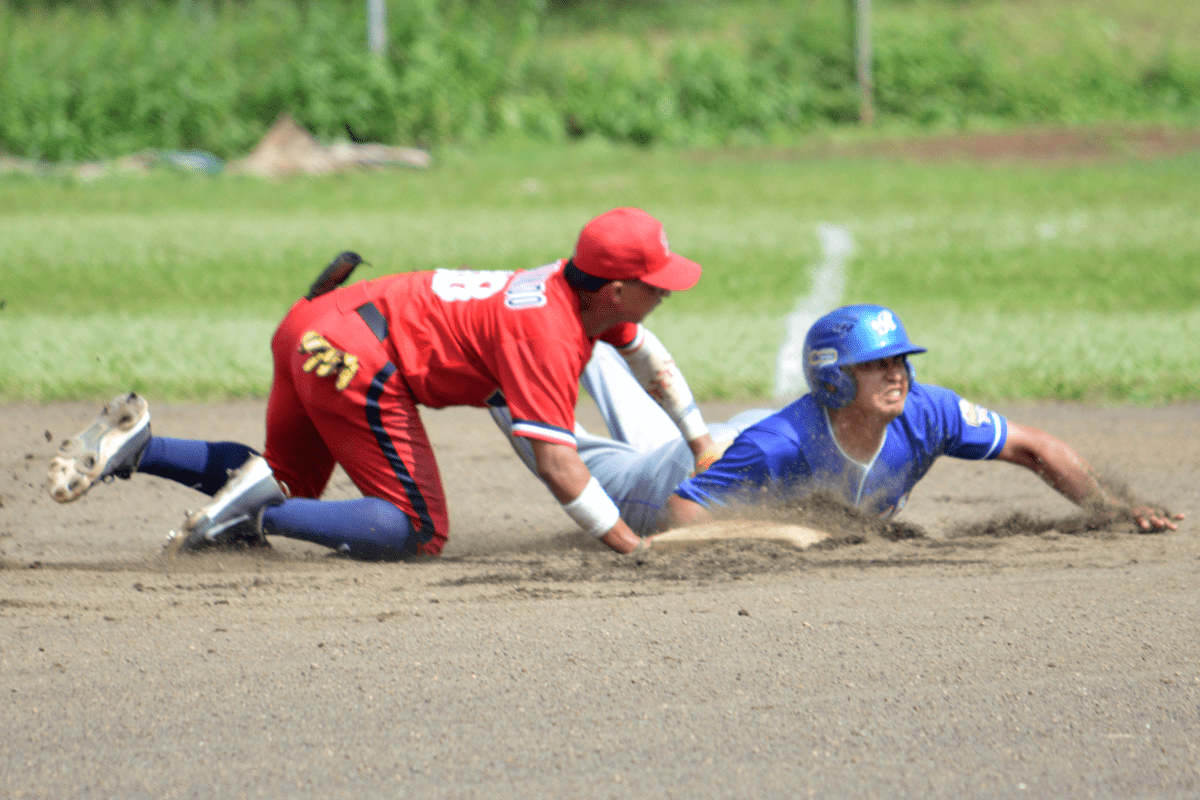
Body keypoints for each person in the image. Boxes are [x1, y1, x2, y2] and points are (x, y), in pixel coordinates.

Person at [46, 208, 716, 559]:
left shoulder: (573, 290)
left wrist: (700, 441)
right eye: (656, 285)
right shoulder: (549, 331)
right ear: (619, 288)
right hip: (358, 358)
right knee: (417, 530)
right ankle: (247, 514)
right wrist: (629, 546)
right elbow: (558, 463)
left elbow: (644, 352)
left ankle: (141, 449)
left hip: (313, 323)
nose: (664, 293)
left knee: (290, 478)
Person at [539, 304, 1183, 542]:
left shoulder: (925, 410)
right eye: (876, 365)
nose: (896, 374)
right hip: (677, 476)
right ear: (834, 378)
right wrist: (788, 530)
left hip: (751, 442)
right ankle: (515, 372)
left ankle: (584, 347)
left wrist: (1109, 507)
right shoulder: (781, 443)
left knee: (636, 414)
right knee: (568, 444)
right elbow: (683, 514)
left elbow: (1033, 447)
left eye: (899, 360)